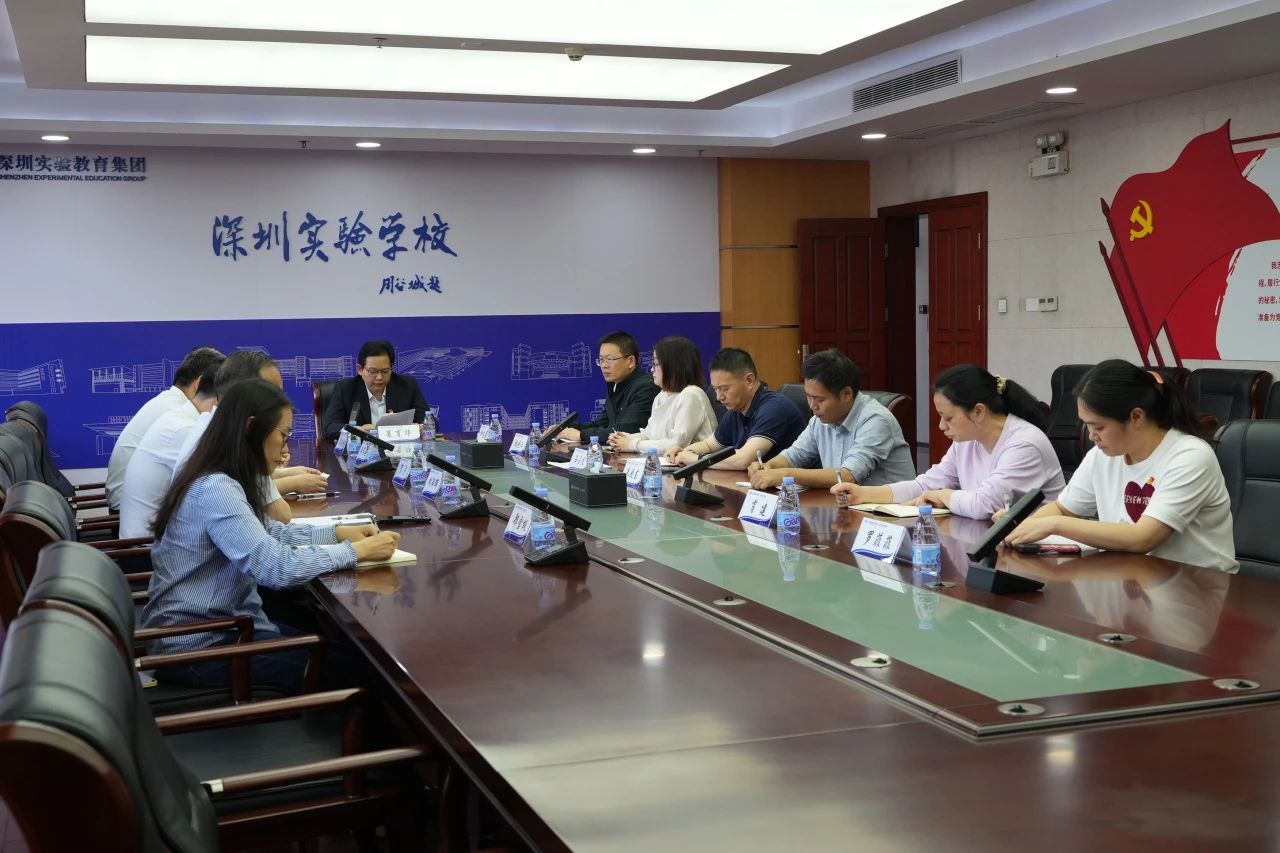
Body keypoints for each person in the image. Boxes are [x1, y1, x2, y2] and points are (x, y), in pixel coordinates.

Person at [142, 378, 400, 692]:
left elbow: (270, 532)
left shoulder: (222, 475)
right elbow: (274, 567)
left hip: (226, 629)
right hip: (201, 648)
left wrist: (336, 533)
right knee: (359, 669)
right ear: (252, 428)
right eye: (283, 436)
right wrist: (355, 552)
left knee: (346, 650)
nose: (285, 451)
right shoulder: (216, 488)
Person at [1006, 359, 1237, 572]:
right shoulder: (1102, 455)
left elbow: (1143, 538)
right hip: (1133, 578)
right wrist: (1019, 526)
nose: (1091, 436)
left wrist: (1054, 524)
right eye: (1087, 426)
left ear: (1136, 417)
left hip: (1199, 586)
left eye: (1099, 427)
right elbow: (1063, 508)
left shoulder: (1190, 456)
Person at [830, 364, 1065, 519]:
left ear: (978, 412)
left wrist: (944, 495)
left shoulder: (1024, 444)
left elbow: (984, 504)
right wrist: (863, 494)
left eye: (948, 418)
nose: (942, 426)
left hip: (1045, 558)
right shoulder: (967, 440)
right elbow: (925, 485)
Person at [173, 351, 328, 524]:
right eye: (269, 393)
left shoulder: (213, 426)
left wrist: (285, 472)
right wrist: (291, 480)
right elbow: (281, 516)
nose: (278, 401)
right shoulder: (224, 443)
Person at [749, 349, 914, 490]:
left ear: (846, 394)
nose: (812, 406)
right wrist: (768, 466)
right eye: (808, 397)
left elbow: (848, 476)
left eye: (819, 399)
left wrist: (785, 474)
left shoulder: (876, 420)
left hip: (886, 512)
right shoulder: (820, 420)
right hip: (845, 506)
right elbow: (794, 456)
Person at [105, 345, 225, 509]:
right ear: (199, 384)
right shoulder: (178, 416)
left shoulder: (169, 402)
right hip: (130, 508)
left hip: (131, 501)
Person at [117, 358, 221, 539]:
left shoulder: (179, 414)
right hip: (143, 546)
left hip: (145, 531)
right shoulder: (185, 429)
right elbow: (221, 491)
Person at [669, 347, 806, 470]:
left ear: (749, 381)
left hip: (792, 488)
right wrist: (684, 452)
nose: (719, 397)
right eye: (716, 389)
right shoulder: (736, 410)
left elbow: (743, 460)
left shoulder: (774, 408)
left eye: (724, 389)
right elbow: (708, 445)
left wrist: (695, 459)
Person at [608, 335, 716, 454]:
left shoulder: (691, 395)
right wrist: (624, 438)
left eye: (656, 364)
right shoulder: (661, 396)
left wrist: (632, 445)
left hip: (694, 464)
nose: (652, 369)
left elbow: (677, 444)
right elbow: (649, 435)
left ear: (674, 367)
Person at [559, 331, 660, 444]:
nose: (604, 365)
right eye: (601, 360)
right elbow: (602, 424)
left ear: (631, 361)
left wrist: (581, 435)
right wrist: (564, 428)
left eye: (609, 359)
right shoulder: (615, 385)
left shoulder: (646, 387)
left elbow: (626, 431)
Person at [322, 340, 429, 439]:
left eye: (385, 371)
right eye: (373, 372)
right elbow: (330, 426)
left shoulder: (407, 385)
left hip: (400, 450)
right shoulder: (345, 388)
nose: (379, 377)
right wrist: (358, 431)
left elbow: (429, 421)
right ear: (360, 369)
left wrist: (418, 427)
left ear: (391, 367)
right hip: (360, 450)